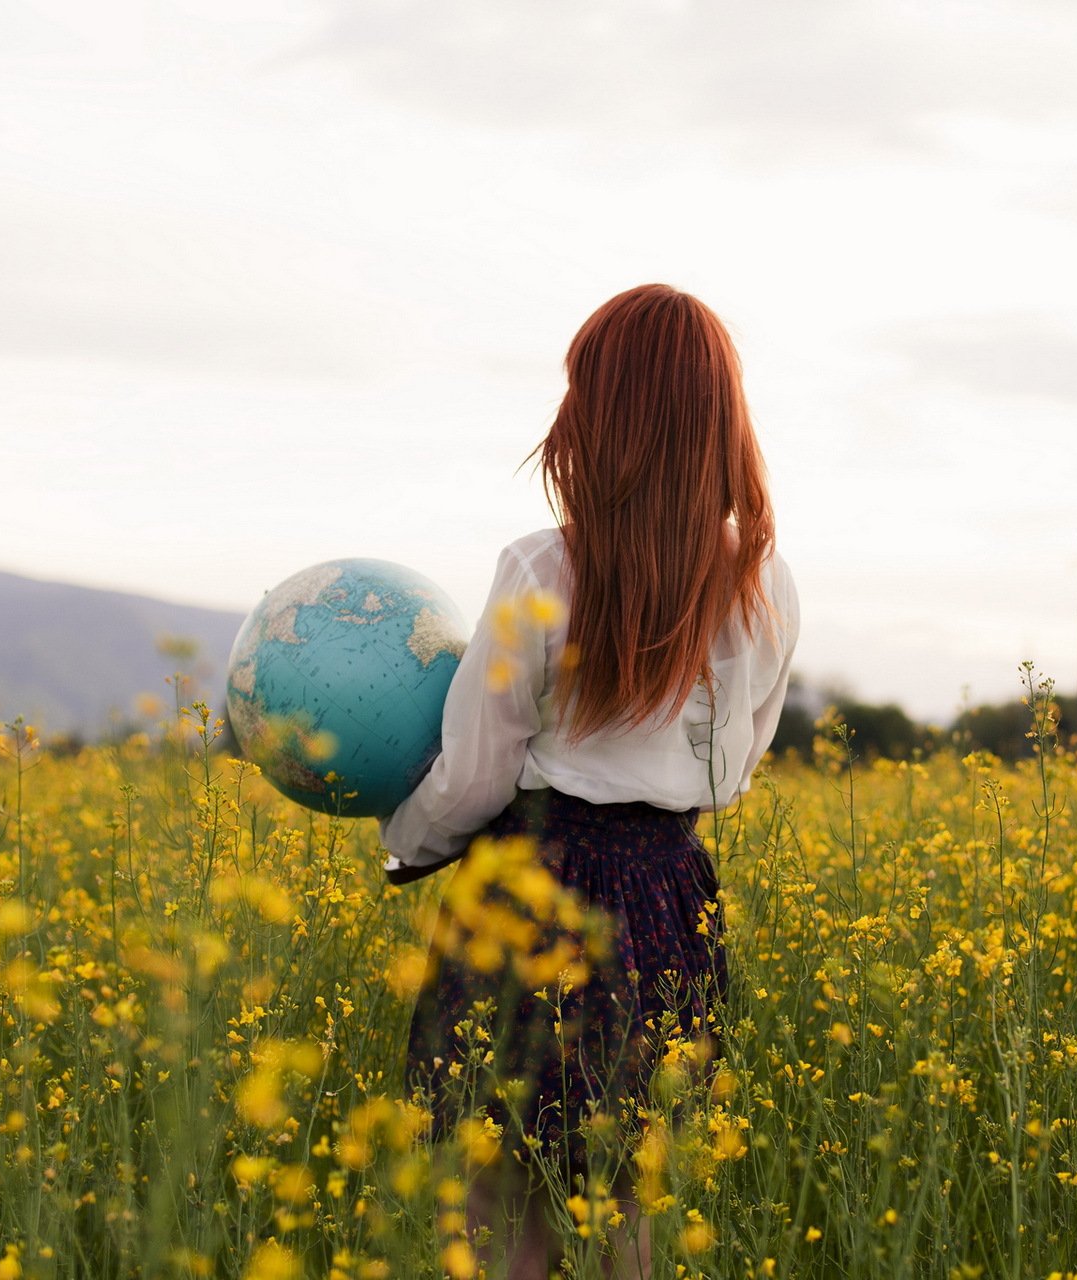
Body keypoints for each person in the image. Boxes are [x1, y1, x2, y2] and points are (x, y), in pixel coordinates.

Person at [378, 283, 800, 1279]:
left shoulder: (539, 568)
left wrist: (407, 835)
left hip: (536, 884)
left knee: (496, 1197)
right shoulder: (765, 581)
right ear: (720, 421)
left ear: (599, 415)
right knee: (623, 1203)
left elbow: (475, 774)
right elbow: (732, 771)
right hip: (668, 899)